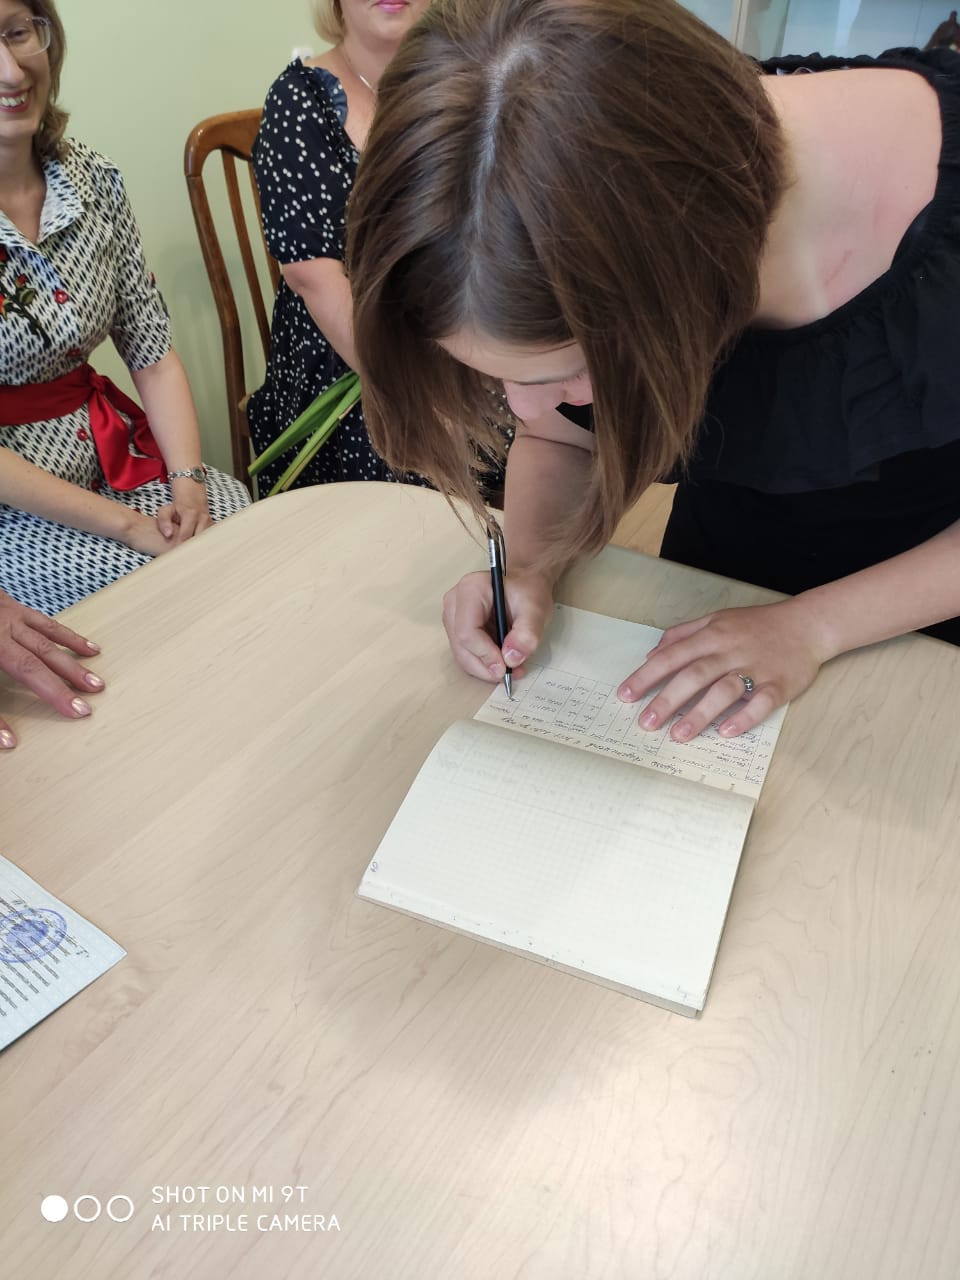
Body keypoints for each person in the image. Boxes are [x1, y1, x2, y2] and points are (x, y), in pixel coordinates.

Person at [347, 0, 960, 743]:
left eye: (567, 369)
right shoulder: (621, 199)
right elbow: (561, 438)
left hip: (921, 648)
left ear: (684, 281)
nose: (526, 408)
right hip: (705, 604)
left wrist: (813, 627)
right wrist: (533, 566)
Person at [0, 0, 249, 743]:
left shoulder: (93, 179)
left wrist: (187, 483)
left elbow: (151, 350)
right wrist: (132, 526)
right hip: (16, 500)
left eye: (17, 33)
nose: (11, 71)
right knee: (130, 577)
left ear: (46, 34)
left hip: (105, 455)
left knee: (229, 516)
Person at [247, 0, 435, 492]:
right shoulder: (298, 99)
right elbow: (312, 276)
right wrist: (413, 392)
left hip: (450, 333)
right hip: (346, 353)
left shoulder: (462, 78)